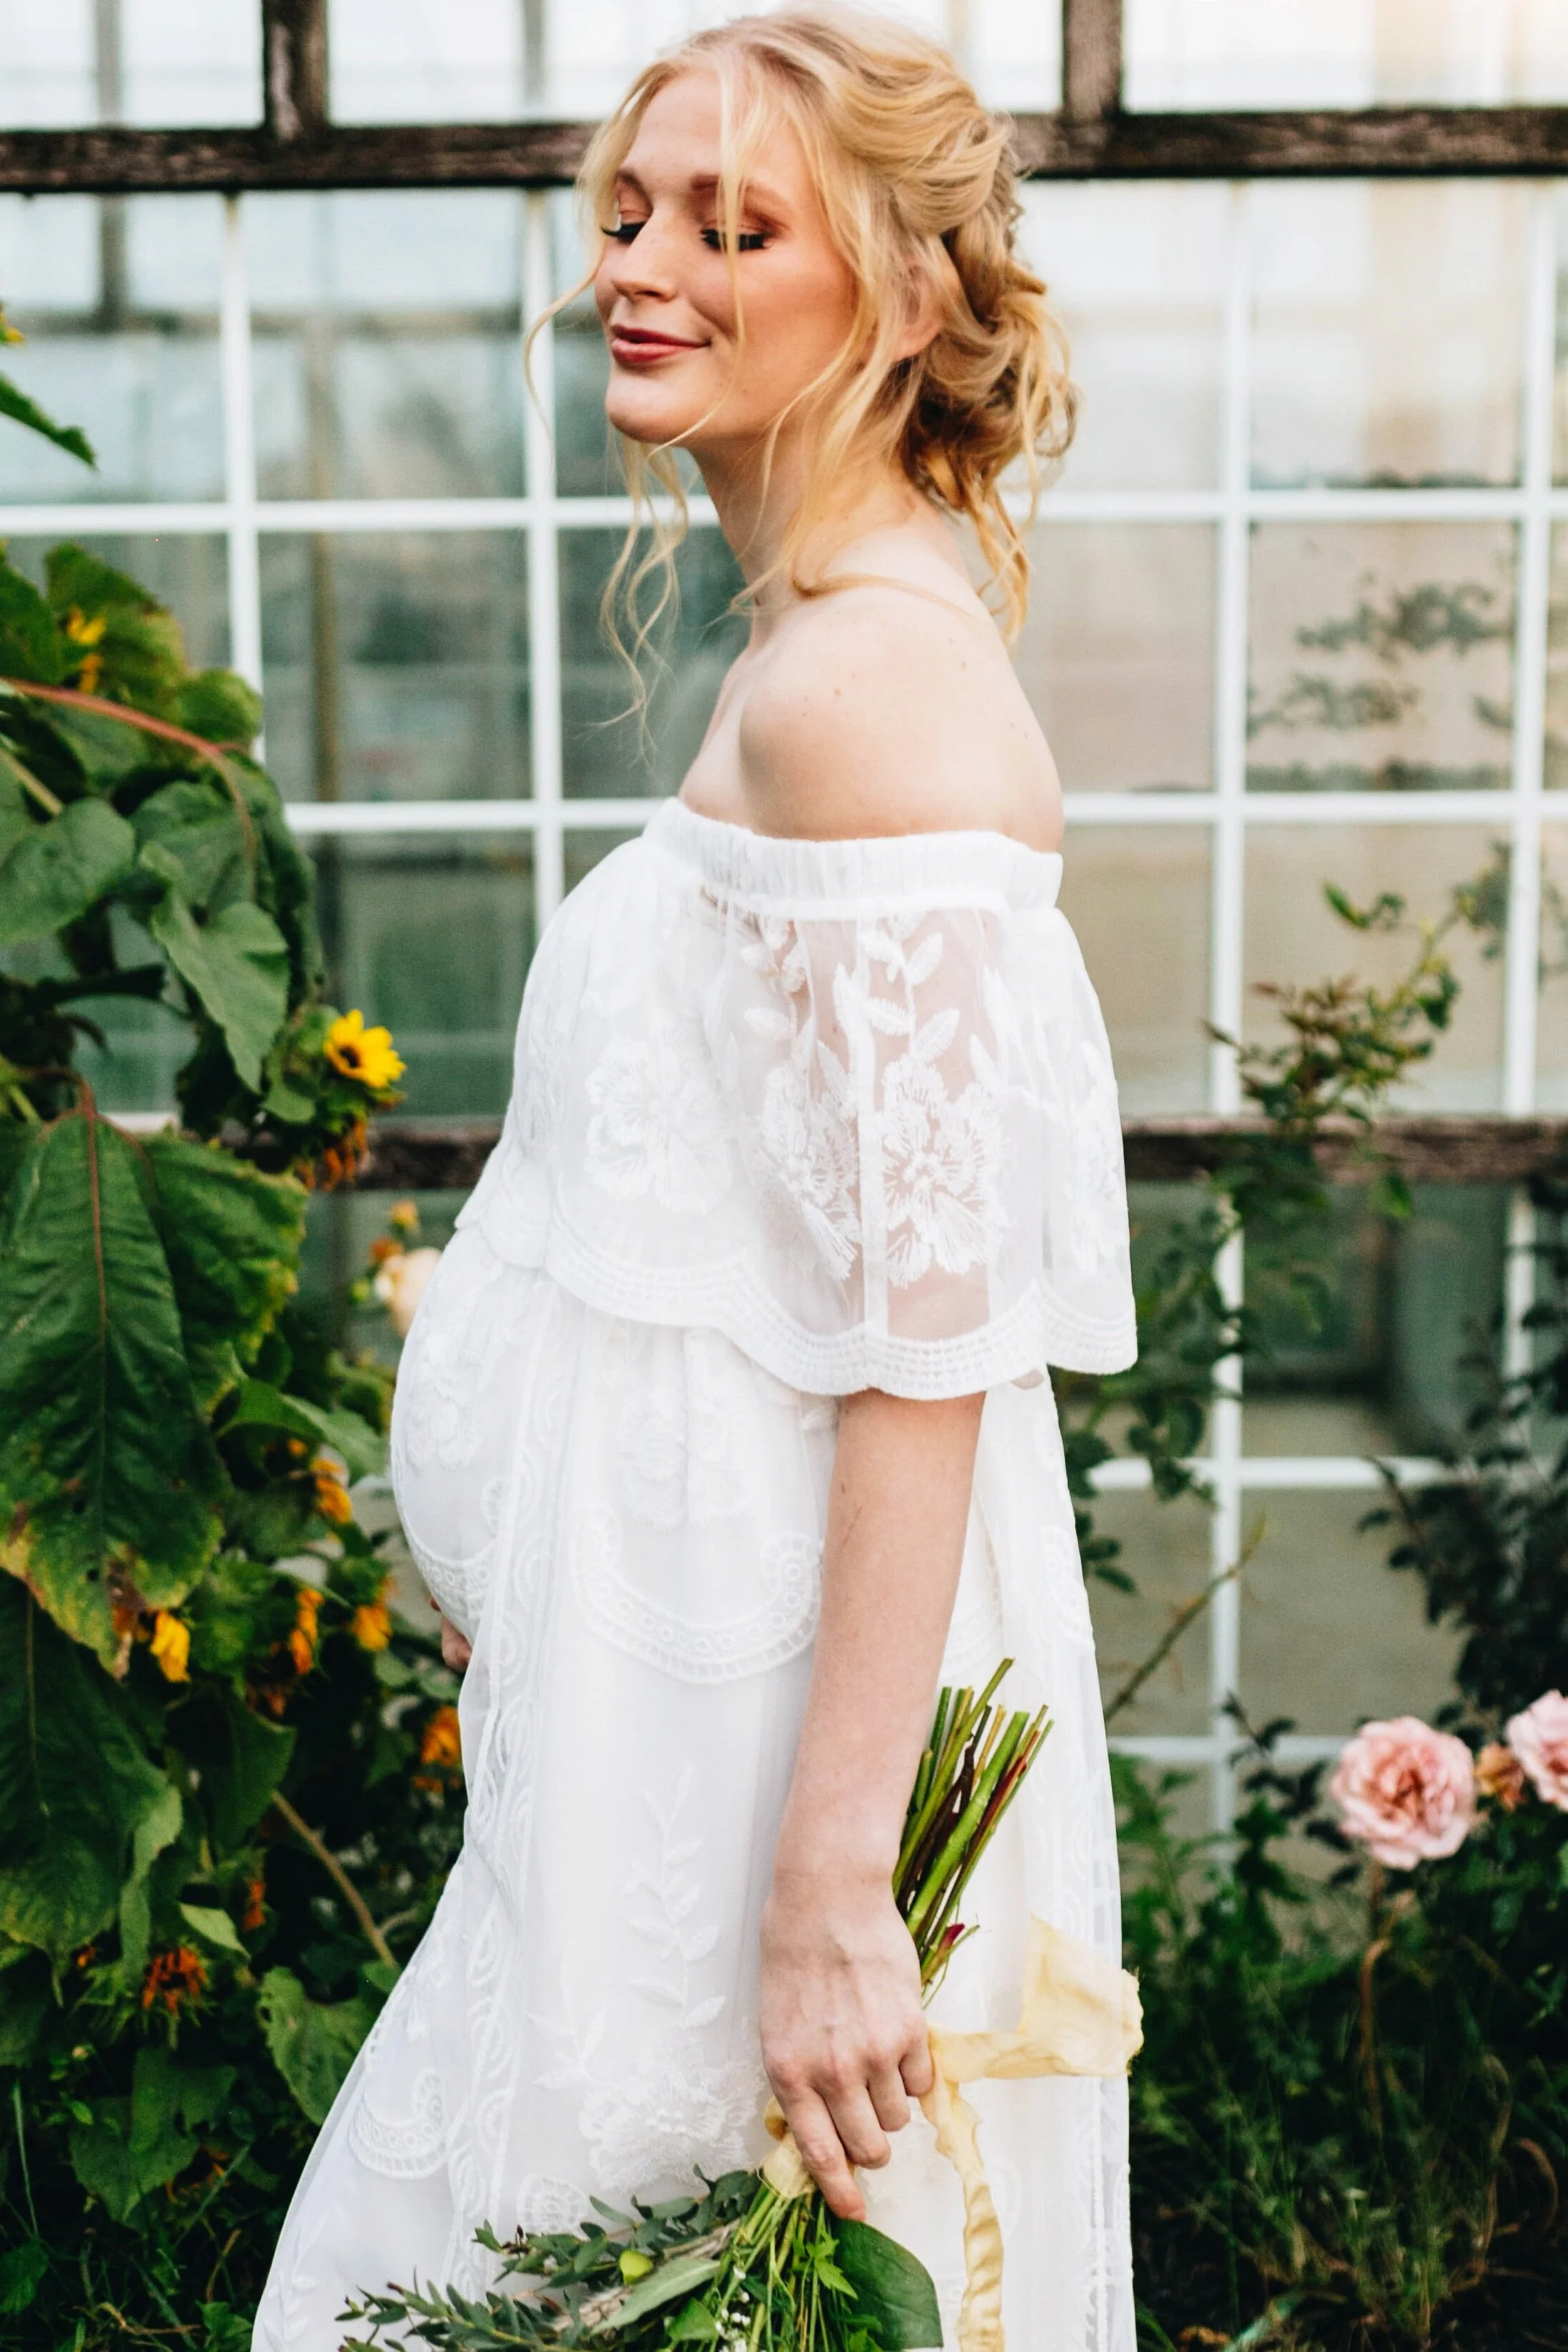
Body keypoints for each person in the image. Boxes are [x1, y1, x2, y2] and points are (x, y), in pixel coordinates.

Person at [255, 11, 1137, 2347]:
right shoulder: (812, 650)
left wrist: (835, 1888)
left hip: (754, 1764)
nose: (649, 266)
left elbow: (930, 1350)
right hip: (660, 1706)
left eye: (739, 226)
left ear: (915, 298)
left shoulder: (874, 695)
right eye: (636, 211)